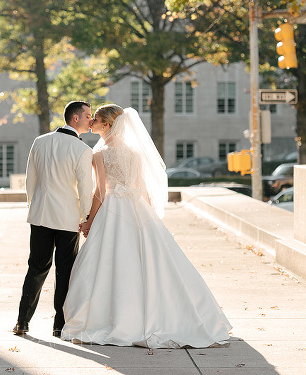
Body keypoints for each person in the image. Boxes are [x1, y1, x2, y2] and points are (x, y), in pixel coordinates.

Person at [62, 104, 232, 348]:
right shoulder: (134, 153)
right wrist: (149, 218)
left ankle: (115, 318)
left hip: (112, 210)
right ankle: (160, 316)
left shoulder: (99, 154)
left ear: (107, 125)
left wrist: (88, 222)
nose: (91, 123)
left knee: (111, 264)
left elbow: (99, 193)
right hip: (137, 209)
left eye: (96, 119)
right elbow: (143, 189)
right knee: (149, 264)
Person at [14, 101, 94, 337]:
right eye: (88, 115)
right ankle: (59, 325)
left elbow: (31, 179)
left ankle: (22, 321)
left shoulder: (40, 141)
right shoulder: (82, 150)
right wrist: (86, 216)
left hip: (40, 214)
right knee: (65, 271)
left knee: (36, 268)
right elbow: (85, 187)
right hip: (67, 218)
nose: (91, 119)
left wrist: (34, 204)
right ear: (75, 119)